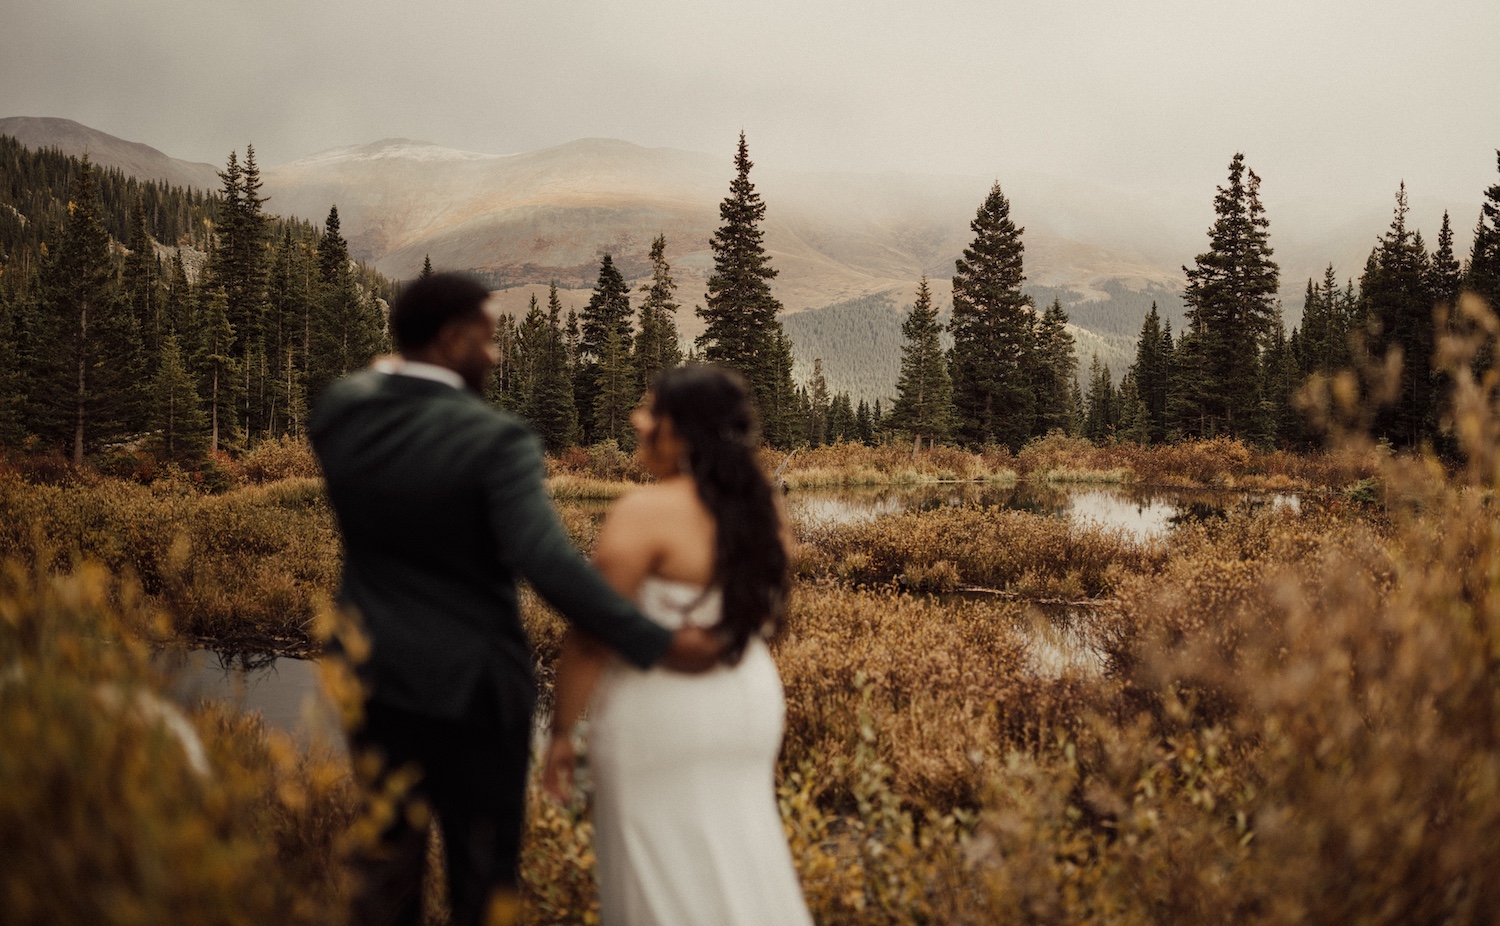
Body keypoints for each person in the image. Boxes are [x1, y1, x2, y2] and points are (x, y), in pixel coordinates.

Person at [309, 273, 722, 926]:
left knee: (386, 872)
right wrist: (659, 641)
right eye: (487, 339)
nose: (496, 354)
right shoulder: (494, 439)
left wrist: (395, 363)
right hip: (474, 690)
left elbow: (375, 384)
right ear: (450, 338)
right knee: (483, 880)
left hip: (371, 674)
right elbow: (549, 566)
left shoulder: (339, 410)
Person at [542, 364, 814, 926]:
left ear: (682, 430)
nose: (638, 421)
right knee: (744, 851)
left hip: (660, 712)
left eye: (651, 410)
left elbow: (592, 637)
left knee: (657, 873)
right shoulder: (764, 512)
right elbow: (765, 616)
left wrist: (563, 731)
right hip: (747, 703)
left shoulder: (643, 512)